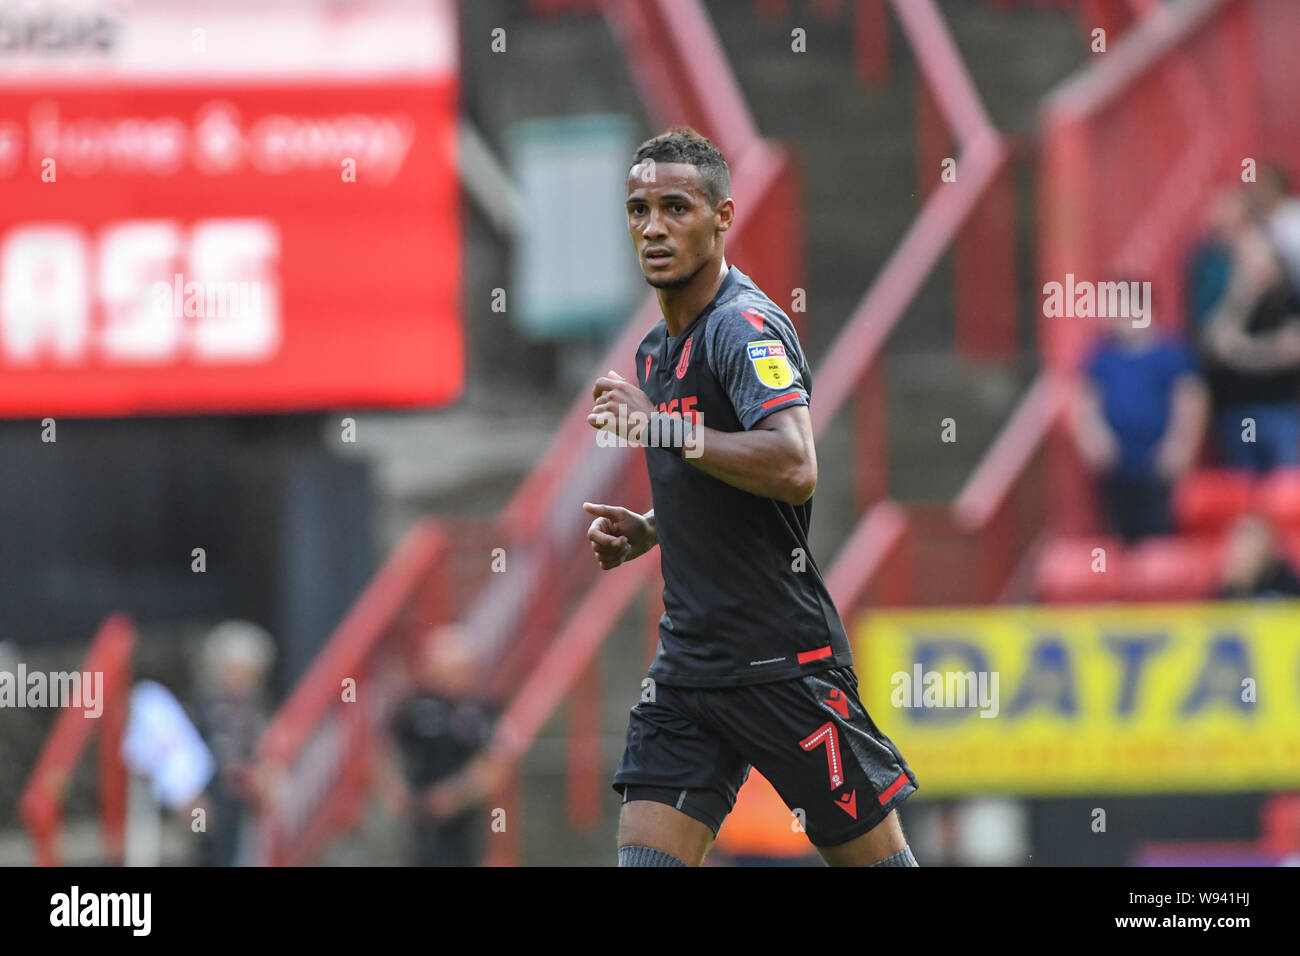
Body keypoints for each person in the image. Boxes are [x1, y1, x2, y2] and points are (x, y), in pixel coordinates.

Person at [584, 127, 918, 867]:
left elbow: (794, 464)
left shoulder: (744, 327)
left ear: (723, 216)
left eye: (676, 207)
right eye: (638, 210)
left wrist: (659, 427)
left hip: (780, 665)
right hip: (688, 669)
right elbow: (719, 480)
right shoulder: (655, 348)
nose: (654, 227)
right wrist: (649, 526)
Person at [1072, 291, 1208, 541]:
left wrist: (1179, 447)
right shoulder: (1100, 357)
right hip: (1116, 464)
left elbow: (1190, 401)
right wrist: (1094, 440)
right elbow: (1086, 402)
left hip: (1160, 463)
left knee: (1160, 530)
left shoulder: (1171, 354)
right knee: (1118, 532)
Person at [382, 623, 504, 867]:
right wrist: (392, 785)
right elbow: (384, 745)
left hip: (466, 821)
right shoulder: (415, 707)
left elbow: (494, 765)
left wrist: (456, 795)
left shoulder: (481, 710)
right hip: (418, 814)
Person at [1198, 192, 1300, 472]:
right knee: (1242, 497)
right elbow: (1215, 344)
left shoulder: (1289, 298)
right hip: (1238, 411)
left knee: (1286, 495)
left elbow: (1289, 351)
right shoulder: (1234, 300)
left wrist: (1241, 350)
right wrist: (1240, 296)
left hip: (1280, 409)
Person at [192, 619, 275, 867]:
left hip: (248, 801)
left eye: (248, 674)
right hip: (214, 795)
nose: (240, 680)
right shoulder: (202, 709)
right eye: (235, 671)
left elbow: (266, 748)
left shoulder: (258, 710)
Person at [1215, 512, 1300, 600]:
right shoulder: (1226, 583)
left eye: (1252, 539)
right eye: (1242, 540)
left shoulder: (1285, 577)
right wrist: (1239, 585)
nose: (1248, 548)